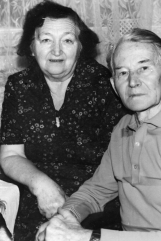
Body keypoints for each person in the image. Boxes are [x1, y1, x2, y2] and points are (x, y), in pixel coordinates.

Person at [36, 28, 161, 241]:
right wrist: (65, 217)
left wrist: (86, 237)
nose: (132, 82)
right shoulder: (124, 128)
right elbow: (96, 191)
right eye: (123, 72)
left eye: (144, 68)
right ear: (114, 86)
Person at [0, 1, 128, 240]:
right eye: (46, 39)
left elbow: (123, 163)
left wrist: (72, 212)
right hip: (35, 203)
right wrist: (40, 185)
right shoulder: (19, 86)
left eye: (67, 40)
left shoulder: (104, 84)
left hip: (97, 206)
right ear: (31, 46)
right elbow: (10, 155)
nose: (57, 51)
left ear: (80, 47)